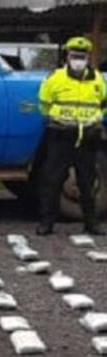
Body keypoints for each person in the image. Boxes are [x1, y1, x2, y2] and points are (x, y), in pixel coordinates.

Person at [35, 36, 106, 236]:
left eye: (82, 56)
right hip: (61, 136)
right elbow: (44, 104)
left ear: (88, 58)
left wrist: (94, 123)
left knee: (87, 182)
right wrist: (59, 121)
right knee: (52, 180)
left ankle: (91, 223)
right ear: (67, 56)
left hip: (88, 137)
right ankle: (46, 223)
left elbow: (103, 104)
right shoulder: (55, 78)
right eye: (75, 56)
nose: (78, 60)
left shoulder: (98, 79)